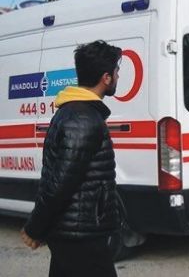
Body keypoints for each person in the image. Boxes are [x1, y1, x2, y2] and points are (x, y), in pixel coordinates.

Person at [21, 40, 123, 277]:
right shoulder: (83, 119)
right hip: (81, 236)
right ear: (105, 78)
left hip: (76, 233)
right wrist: (35, 228)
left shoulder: (75, 112)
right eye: (117, 72)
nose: (118, 77)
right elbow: (60, 184)